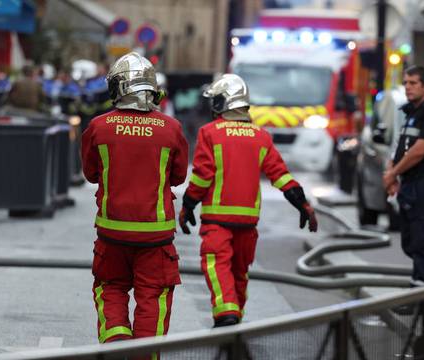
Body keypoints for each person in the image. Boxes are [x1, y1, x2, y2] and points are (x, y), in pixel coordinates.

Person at [179, 74, 318, 327]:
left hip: (217, 220)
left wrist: (188, 204)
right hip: (247, 222)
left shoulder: (209, 133)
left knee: (216, 264)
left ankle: (226, 313)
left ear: (224, 103)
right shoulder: (261, 136)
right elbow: (280, 174)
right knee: (239, 273)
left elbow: (202, 175)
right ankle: (236, 319)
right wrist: (303, 204)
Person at [81, 52, 189, 348]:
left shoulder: (99, 126)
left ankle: (116, 343)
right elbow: (178, 177)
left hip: (111, 235)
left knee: (111, 289)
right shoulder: (171, 128)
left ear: (118, 87)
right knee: (152, 299)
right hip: (156, 238)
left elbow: (91, 173)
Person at [382, 65, 424, 286]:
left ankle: (423, 293)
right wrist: (392, 175)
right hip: (409, 183)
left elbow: (420, 150)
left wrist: (393, 173)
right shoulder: (410, 114)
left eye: (413, 83)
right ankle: (420, 287)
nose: (408, 88)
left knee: (423, 241)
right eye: (406, 83)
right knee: (410, 241)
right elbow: (401, 147)